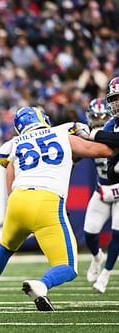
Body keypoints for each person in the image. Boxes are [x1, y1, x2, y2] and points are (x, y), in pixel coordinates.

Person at [0, 106, 114, 312]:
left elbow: (10, 176)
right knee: (68, 267)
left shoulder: (13, 144)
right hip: (47, 202)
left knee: (5, 248)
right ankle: (41, 285)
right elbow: (105, 151)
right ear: (44, 119)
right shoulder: (62, 134)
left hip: (18, 201)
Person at [83, 77, 119, 293]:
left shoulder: (102, 130)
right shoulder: (109, 125)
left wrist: (95, 134)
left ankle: (105, 275)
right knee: (89, 233)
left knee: (118, 233)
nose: (116, 103)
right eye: (113, 99)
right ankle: (97, 258)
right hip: (103, 189)